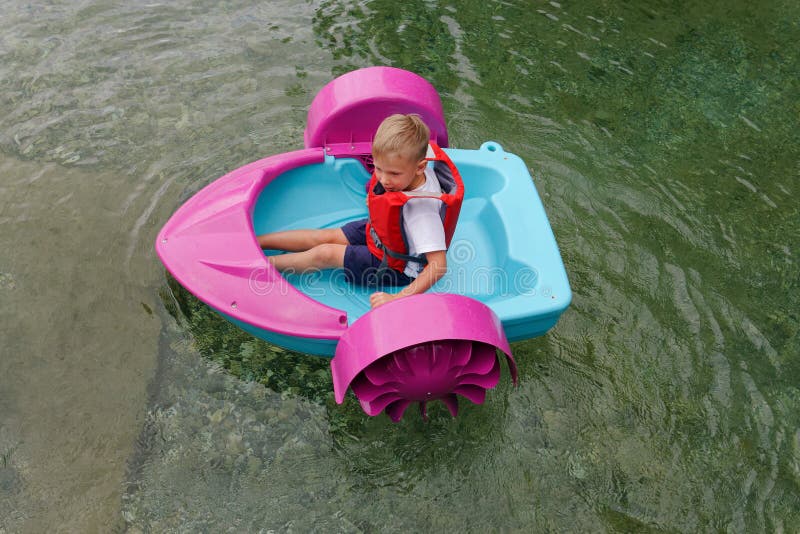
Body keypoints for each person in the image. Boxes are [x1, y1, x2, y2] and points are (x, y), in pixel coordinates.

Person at [257, 114, 454, 308]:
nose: (384, 180)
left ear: (420, 167)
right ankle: (257, 242)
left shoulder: (421, 213)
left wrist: (398, 298)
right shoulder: (412, 159)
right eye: (378, 169)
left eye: (393, 173)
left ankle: (263, 264)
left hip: (397, 267)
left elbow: (438, 266)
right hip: (383, 233)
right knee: (325, 236)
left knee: (325, 253)